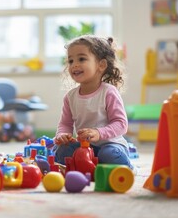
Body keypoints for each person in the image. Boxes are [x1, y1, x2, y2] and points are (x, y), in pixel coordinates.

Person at [53, 34, 134, 172]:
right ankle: (90, 168)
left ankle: (128, 168)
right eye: (71, 61)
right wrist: (62, 135)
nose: (74, 65)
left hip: (110, 144)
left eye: (82, 59)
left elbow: (121, 124)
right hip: (84, 147)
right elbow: (65, 124)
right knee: (61, 151)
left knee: (109, 155)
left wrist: (98, 133)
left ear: (101, 65)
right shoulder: (70, 97)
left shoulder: (109, 92)